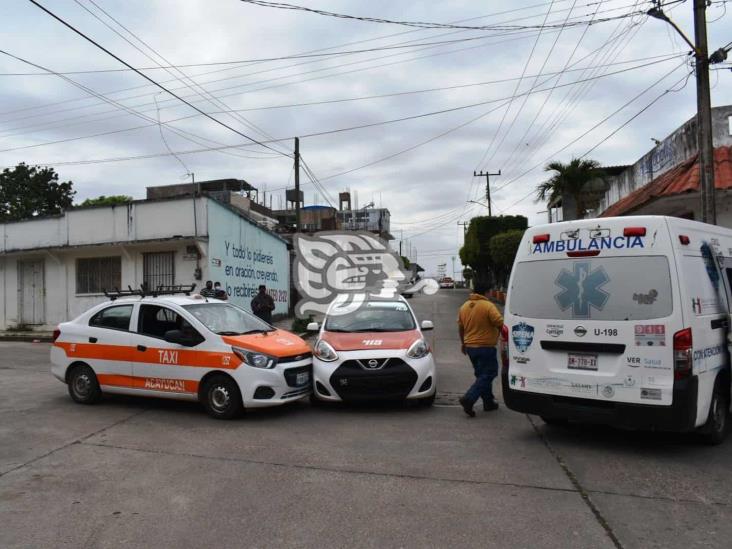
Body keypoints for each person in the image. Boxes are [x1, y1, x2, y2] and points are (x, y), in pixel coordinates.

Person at [457, 282, 504, 417]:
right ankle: (469, 398)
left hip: (471, 347)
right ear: (487, 292)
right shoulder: (488, 306)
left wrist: (463, 343)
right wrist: (506, 337)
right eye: (490, 291)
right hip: (485, 348)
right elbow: (500, 323)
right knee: (489, 374)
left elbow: (461, 328)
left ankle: (488, 403)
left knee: (481, 376)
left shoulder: (464, 306)